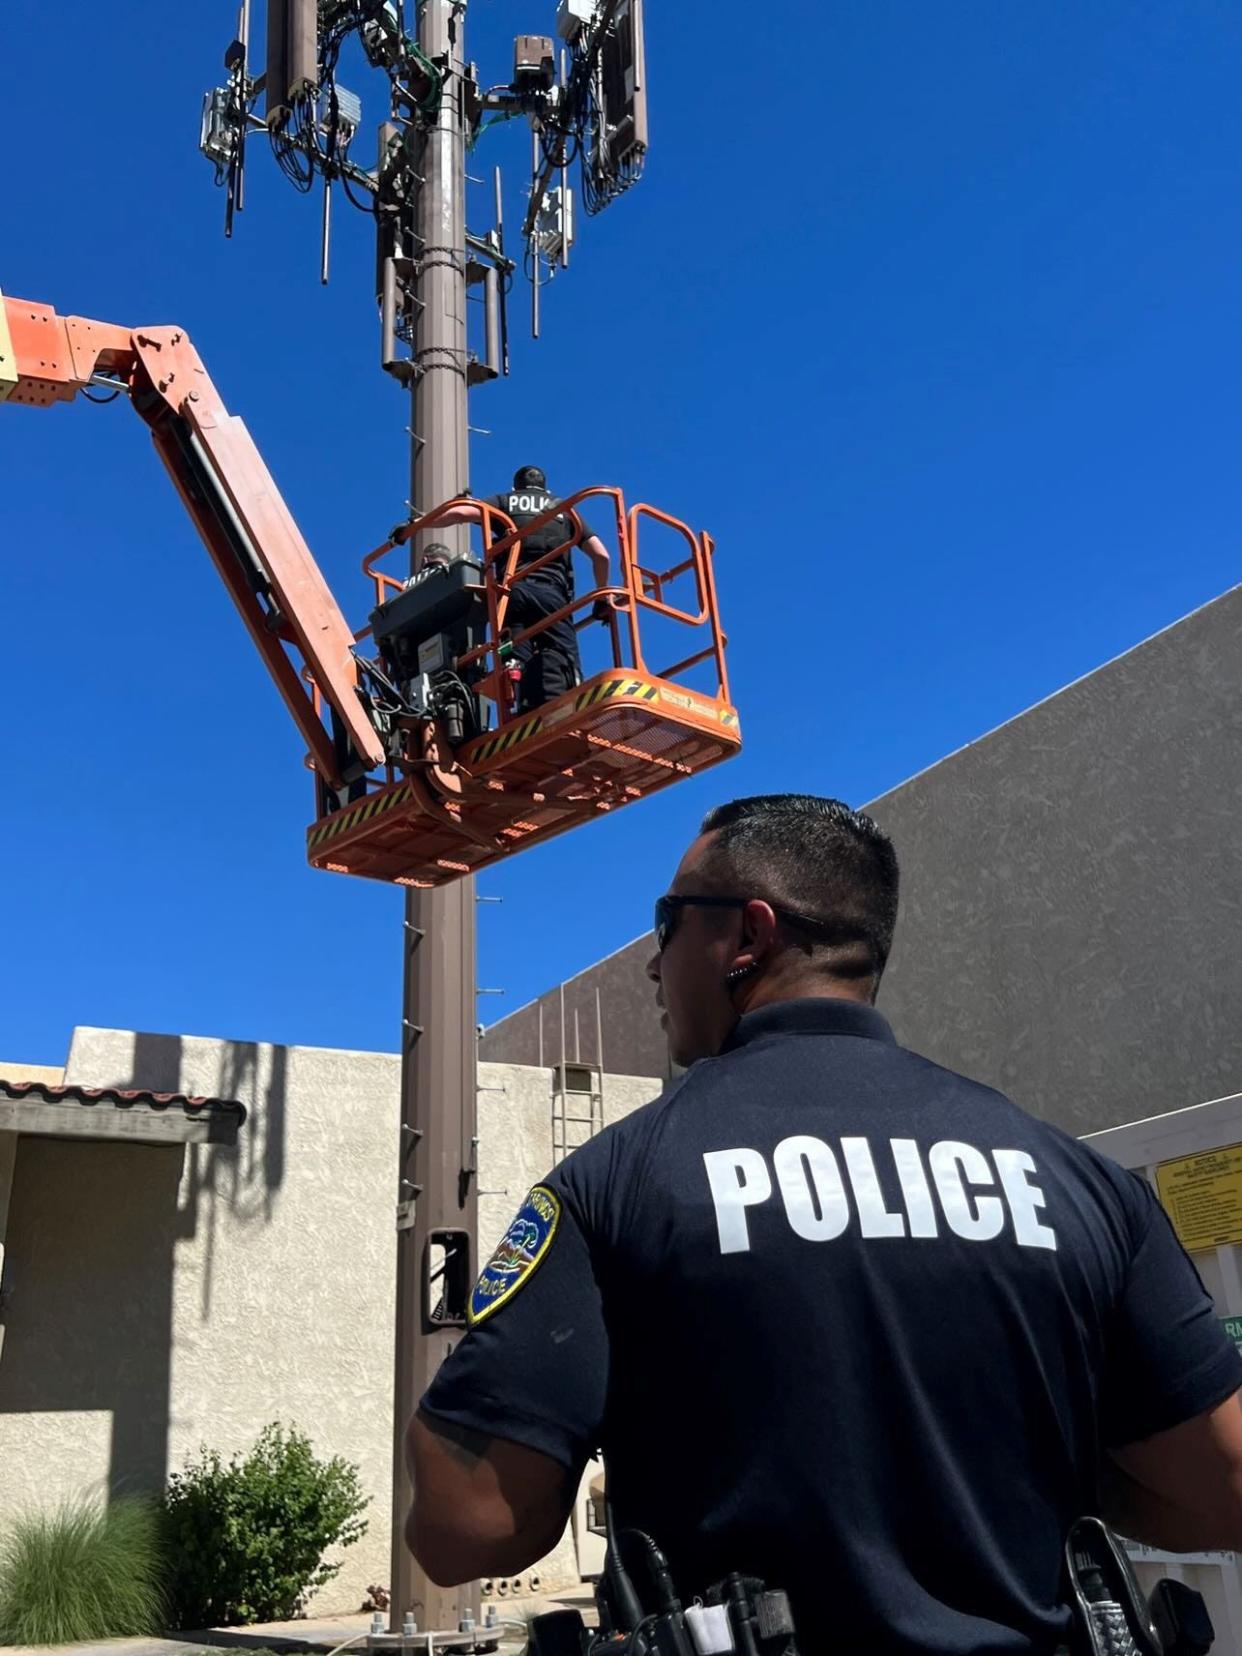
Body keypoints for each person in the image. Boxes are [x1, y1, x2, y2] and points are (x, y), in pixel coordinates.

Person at [406, 794, 1242, 1652]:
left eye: (668, 922)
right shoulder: (1081, 1186)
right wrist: (1023, 1469)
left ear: (748, 937)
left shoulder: (616, 1182)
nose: (654, 967)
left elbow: (464, 1528)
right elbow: (1225, 1488)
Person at [433, 466, 612, 710]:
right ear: (546, 489)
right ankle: (567, 712)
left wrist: (419, 524)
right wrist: (601, 598)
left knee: (514, 661)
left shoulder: (504, 501)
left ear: (515, 487)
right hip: (552, 597)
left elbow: (461, 513)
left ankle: (522, 712)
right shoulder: (566, 510)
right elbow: (602, 556)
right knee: (563, 658)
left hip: (511, 596)